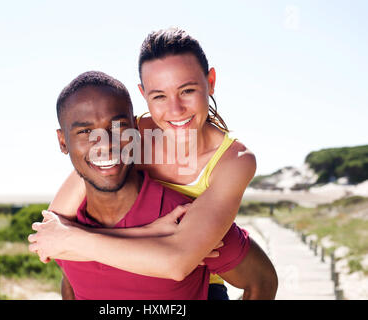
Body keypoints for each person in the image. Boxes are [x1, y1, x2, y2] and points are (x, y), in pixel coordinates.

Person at [30, 28, 278, 299]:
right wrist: (147, 233)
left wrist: (71, 239)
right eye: (159, 95)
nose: (175, 109)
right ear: (143, 94)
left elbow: (179, 261)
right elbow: (51, 230)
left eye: (187, 90)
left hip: (202, 275)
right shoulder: (131, 135)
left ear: (211, 82)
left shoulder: (234, 161)